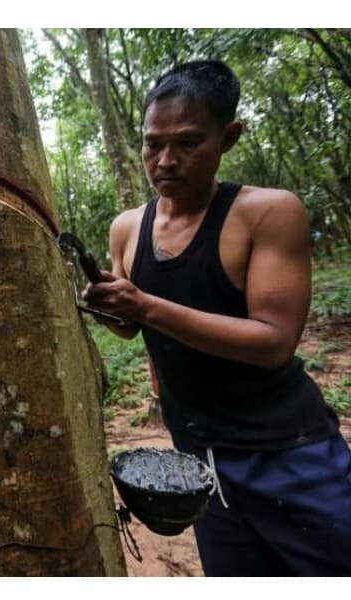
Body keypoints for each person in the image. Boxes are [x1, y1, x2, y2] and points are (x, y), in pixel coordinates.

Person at [82, 60, 351, 576]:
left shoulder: (268, 213)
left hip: (288, 451)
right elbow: (130, 326)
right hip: (198, 461)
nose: (165, 161)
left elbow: (274, 341)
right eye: (152, 144)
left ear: (228, 137)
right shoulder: (127, 229)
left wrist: (144, 305)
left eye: (187, 143)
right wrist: (108, 307)